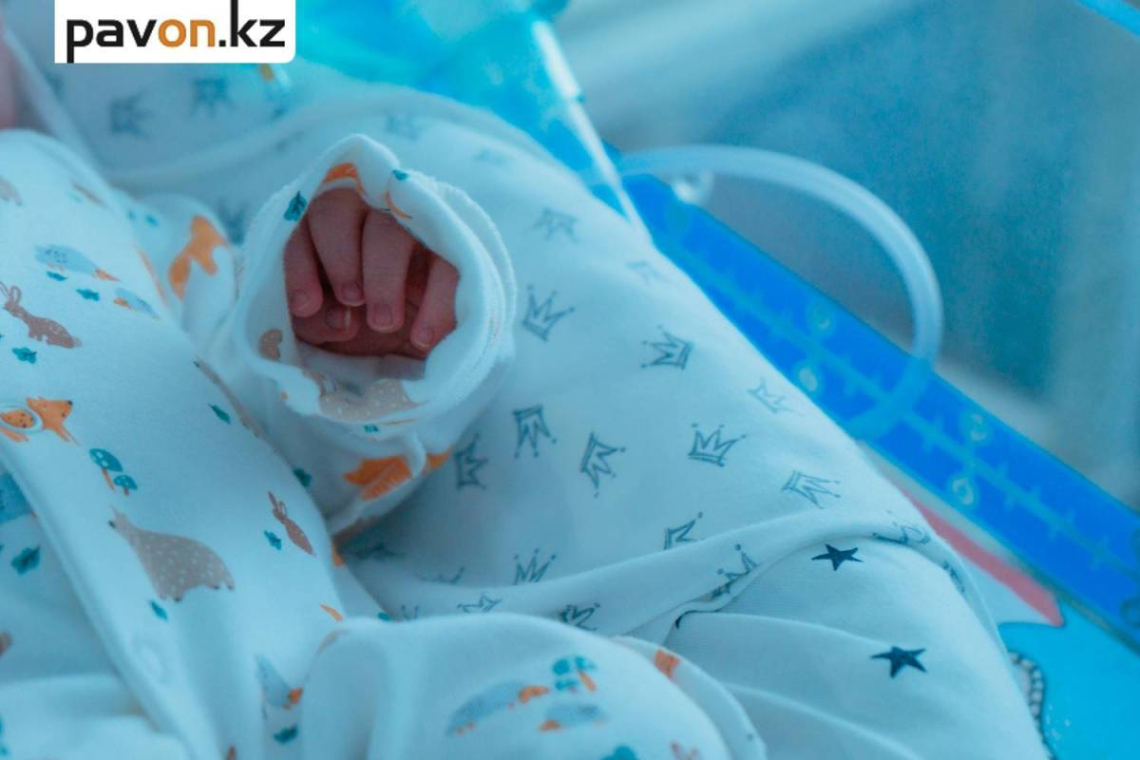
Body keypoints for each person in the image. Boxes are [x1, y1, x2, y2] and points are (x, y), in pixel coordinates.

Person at [0, 4, 1047, 758]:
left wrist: (354, 349)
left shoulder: (121, 216)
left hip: (308, 689)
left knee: (607, 709)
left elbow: (270, 451)